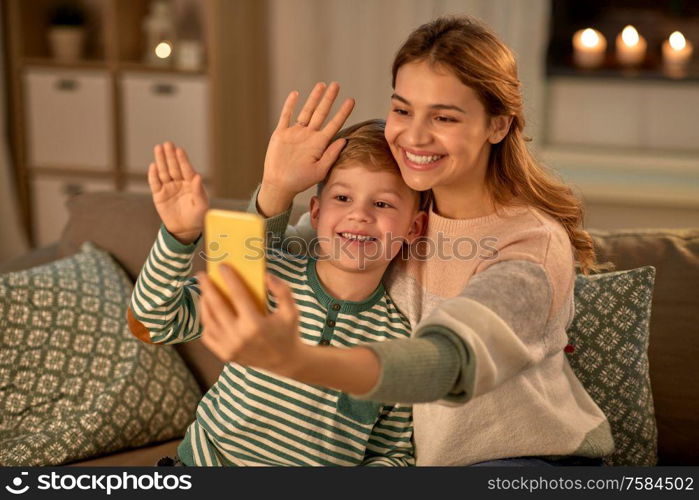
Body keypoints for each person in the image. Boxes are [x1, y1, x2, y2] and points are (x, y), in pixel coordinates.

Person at [198, 16, 615, 466]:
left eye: (444, 117)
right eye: (402, 109)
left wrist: (297, 361)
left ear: (497, 125)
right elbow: (240, 275)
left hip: (528, 462)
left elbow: (448, 361)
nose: (413, 136)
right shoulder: (391, 214)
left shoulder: (530, 245)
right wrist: (276, 187)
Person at [127, 116, 427, 466]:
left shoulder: (401, 342)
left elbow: (393, 454)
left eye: (382, 204)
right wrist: (178, 236)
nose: (359, 214)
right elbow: (154, 323)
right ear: (315, 212)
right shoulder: (266, 271)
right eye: (343, 197)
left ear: (413, 227)